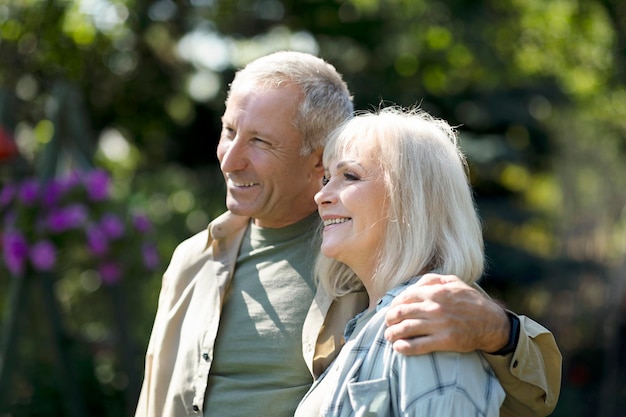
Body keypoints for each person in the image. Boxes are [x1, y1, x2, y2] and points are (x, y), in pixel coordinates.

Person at [135, 51, 561, 417]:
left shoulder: (369, 247)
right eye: (229, 131)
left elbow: (521, 397)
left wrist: (499, 331)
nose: (230, 160)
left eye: (260, 142)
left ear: (318, 160)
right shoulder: (193, 260)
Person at [296, 106, 506, 416]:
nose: (321, 195)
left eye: (349, 175)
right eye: (327, 178)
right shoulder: (369, 321)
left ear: (410, 199)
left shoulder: (430, 321)